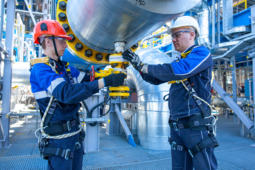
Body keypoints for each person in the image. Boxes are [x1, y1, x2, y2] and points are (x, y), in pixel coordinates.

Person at [122, 16, 218, 170]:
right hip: (178, 128)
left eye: (177, 35)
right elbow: (156, 80)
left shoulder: (201, 53)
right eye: (172, 36)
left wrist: (145, 66)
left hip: (195, 126)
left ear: (192, 34)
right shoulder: (179, 61)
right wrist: (138, 66)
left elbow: (181, 71)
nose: (173, 39)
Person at [30, 19, 126, 170]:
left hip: (74, 136)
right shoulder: (40, 70)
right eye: (62, 41)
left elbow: (88, 79)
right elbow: (66, 93)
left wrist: (111, 73)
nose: (65, 45)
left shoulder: (65, 68)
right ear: (48, 41)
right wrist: (105, 82)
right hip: (58, 140)